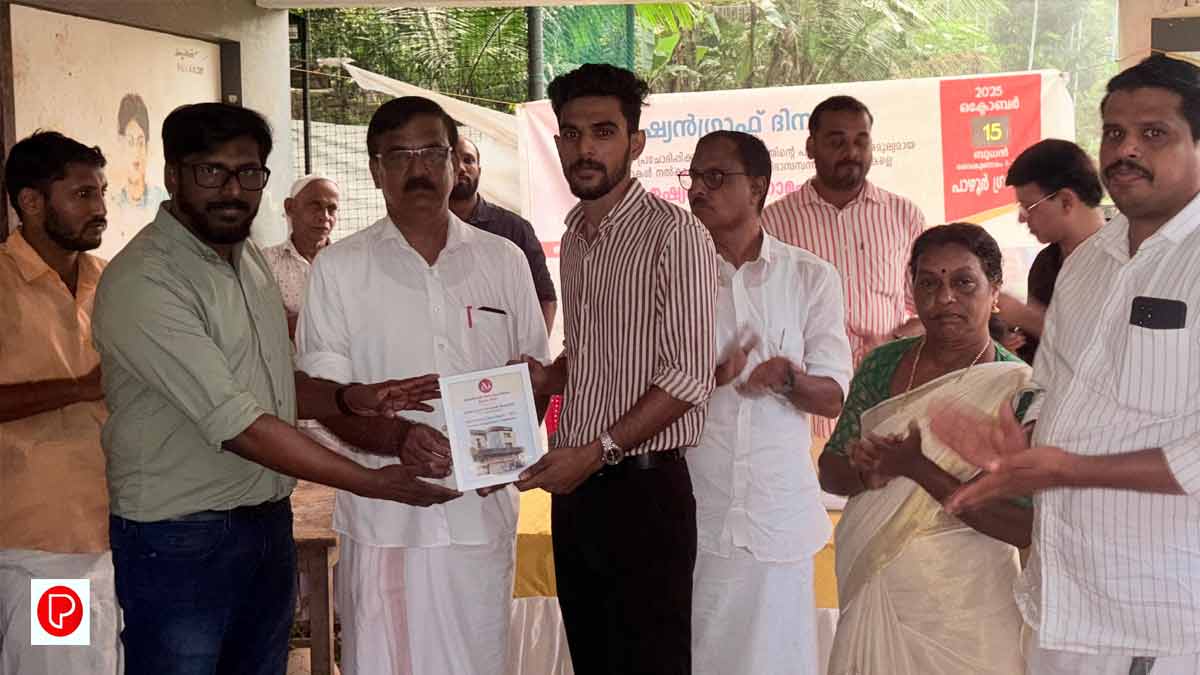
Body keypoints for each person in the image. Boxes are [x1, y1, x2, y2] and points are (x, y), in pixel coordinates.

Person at [92, 102, 458, 674]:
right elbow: (239, 423)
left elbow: (274, 386)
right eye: (211, 171)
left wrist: (350, 397)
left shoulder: (248, 262)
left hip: (264, 522)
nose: (232, 190)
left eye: (248, 173)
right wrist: (369, 481)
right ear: (173, 175)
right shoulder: (146, 279)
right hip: (179, 538)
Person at [938, 53, 1200, 675]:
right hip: (1063, 597)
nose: (1125, 150)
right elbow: (1051, 385)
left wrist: (1070, 469)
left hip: (1162, 614)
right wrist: (1020, 439)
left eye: (1153, 133)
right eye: (1114, 132)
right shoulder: (1087, 262)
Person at [297, 96, 550, 675]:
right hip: (386, 519)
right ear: (376, 170)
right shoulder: (339, 269)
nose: (419, 169)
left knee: (480, 663)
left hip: (479, 516)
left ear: (455, 163)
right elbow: (323, 396)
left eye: (433, 152)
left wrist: (505, 456)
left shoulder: (504, 259)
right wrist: (398, 439)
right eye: (400, 155)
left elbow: (531, 377)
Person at [515, 63, 718, 675]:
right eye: (572, 134)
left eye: (603, 132)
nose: (585, 148)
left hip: (644, 493)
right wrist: (551, 377)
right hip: (577, 491)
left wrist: (597, 451)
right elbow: (599, 351)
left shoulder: (674, 234)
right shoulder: (577, 236)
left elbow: (689, 375)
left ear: (636, 141)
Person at [819, 223, 1036, 675]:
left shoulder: (1019, 390)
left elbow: (1023, 526)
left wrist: (918, 468)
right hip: (879, 589)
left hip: (972, 612)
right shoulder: (883, 366)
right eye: (928, 283)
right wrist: (866, 473)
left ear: (995, 291)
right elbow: (831, 470)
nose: (944, 298)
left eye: (964, 282)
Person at [681, 130, 852, 675]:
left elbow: (834, 396)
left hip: (776, 518)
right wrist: (711, 377)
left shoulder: (809, 277)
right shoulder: (675, 277)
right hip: (695, 514)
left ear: (757, 187)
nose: (698, 190)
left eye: (715, 177)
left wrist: (787, 379)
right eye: (693, 178)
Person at [0, 132, 120, 674]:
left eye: (102, 193)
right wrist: (78, 388)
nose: (100, 209)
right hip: (43, 543)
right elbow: (94, 385)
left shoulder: (109, 280)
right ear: (31, 202)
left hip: (122, 526)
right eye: (83, 195)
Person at [762, 95, 925, 369]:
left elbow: (930, 309)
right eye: (837, 142)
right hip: (808, 382)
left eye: (861, 142)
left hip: (885, 378)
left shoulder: (904, 216)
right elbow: (762, 314)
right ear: (811, 147)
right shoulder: (773, 223)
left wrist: (896, 340)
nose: (851, 153)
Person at [994, 139, 1104, 363]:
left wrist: (1028, 317)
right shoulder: (1046, 263)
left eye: (1029, 207)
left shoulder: (1126, 259)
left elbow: (1110, 354)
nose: (1022, 219)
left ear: (1066, 201)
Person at [449, 135, 557, 332]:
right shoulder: (427, 231)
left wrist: (536, 348)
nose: (461, 168)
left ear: (479, 170)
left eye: (468, 160)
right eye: (452, 160)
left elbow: (545, 298)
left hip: (502, 349)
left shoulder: (514, 228)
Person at [263, 173, 339, 340]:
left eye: (332, 209)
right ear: (290, 207)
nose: (324, 216)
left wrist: (298, 322)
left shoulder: (346, 262)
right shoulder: (267, 261)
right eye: (315, 206)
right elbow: (266, 323)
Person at [114, 93, 169, 210]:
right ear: (122, 145)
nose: (136, 152)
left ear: (147, 147)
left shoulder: (161, 200)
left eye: (140, 143)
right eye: (130, 142)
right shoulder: (114, 204)